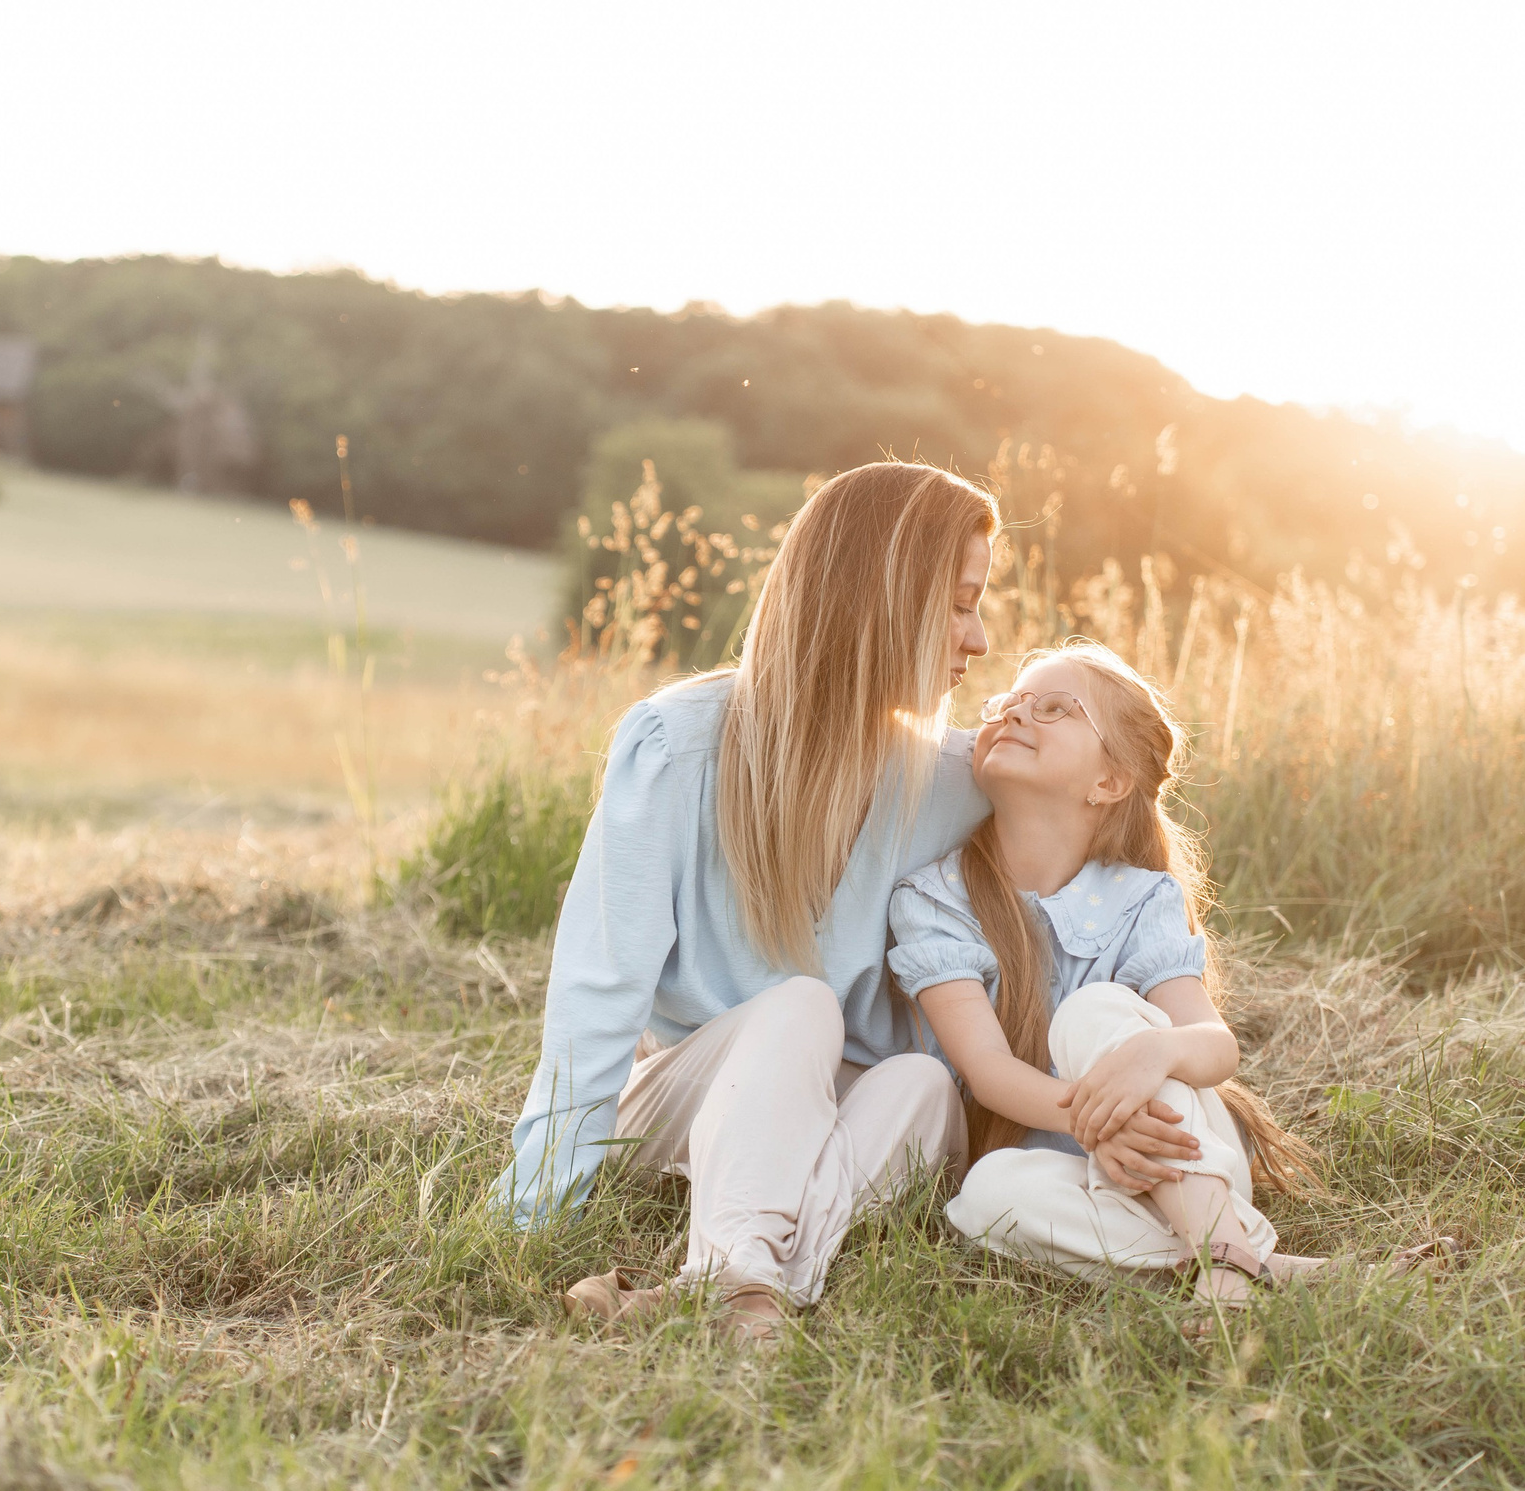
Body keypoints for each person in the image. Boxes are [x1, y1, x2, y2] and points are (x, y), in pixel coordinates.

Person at [491, 464, 1206, 1346]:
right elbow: (597, 997)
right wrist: (532, 1213)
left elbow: (1088, 897)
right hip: (689, 1096)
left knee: (920, 1082)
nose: (979, 640)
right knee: (800, 1005)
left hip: (857, 1113)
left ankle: (730, 1287)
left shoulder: (958, 779)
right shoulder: (678, 744)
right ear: (879, 602)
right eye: (958, 604)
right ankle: (735, 1278)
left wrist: (1122, 1100)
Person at [890, 641, 1440, 1317]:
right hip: (1063, 1166)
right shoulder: (934, 898)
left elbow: (1213, 1045)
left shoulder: (1141, 897)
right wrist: (1101, 1125)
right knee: (985, 1194)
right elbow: (987, 1071)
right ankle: (1249, 1261)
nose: (1015, 713)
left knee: (1094, 1013)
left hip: (1186, 1152)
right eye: (1007, 703)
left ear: (1109, 781)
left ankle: (1218, 1254)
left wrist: (1158, 1050)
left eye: (1054, 707)